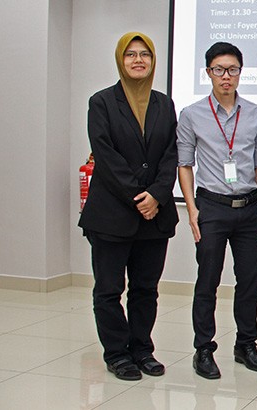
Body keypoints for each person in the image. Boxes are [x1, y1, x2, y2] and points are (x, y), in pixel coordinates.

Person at [79, 32, 178, 381]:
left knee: (145, 289)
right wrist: (140, 196)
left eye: (145, 55)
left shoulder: (164, 103)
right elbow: (104, 155)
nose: (138, 60)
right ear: (121, 60)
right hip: (112, 214)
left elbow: (171, 154)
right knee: (108, 289)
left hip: (155, 216)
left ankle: (142, 350)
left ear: (153, 61)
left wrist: (158, 195)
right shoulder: (102, 102)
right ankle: (117, 353)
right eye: (131, 55)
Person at [176, 42, 257, 379]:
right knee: (208, 281)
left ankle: (246, 344)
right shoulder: (191, 115)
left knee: (249, 281)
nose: (226, 76)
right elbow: (184, 164)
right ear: (208, 73)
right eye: (219, 70)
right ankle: (203, 349)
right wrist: (191, 209)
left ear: (240, 73)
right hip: (211, 207)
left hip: (249, 209)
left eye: (232, 69)